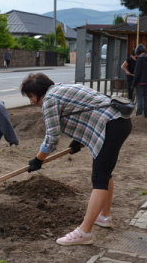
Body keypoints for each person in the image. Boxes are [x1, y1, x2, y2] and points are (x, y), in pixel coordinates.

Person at [20, 73, 132, 245]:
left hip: (110, 125)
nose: (31, 101)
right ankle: (104, 216)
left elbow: (52, 137)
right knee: (104, 173)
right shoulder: (62, 87)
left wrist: (38, 159)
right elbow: (85, 109)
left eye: (31, 96)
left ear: (38, 92)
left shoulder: (49, 100)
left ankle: (84, 232)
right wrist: (78, 140)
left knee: (99, 179)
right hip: (118, 122)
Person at [131, 44, 147, 118]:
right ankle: (146, 114)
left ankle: (139, 115)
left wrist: (134, 83)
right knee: (146, 98)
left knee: (139, 98)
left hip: (140, 82)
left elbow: (137, 72)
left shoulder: (139, 59)